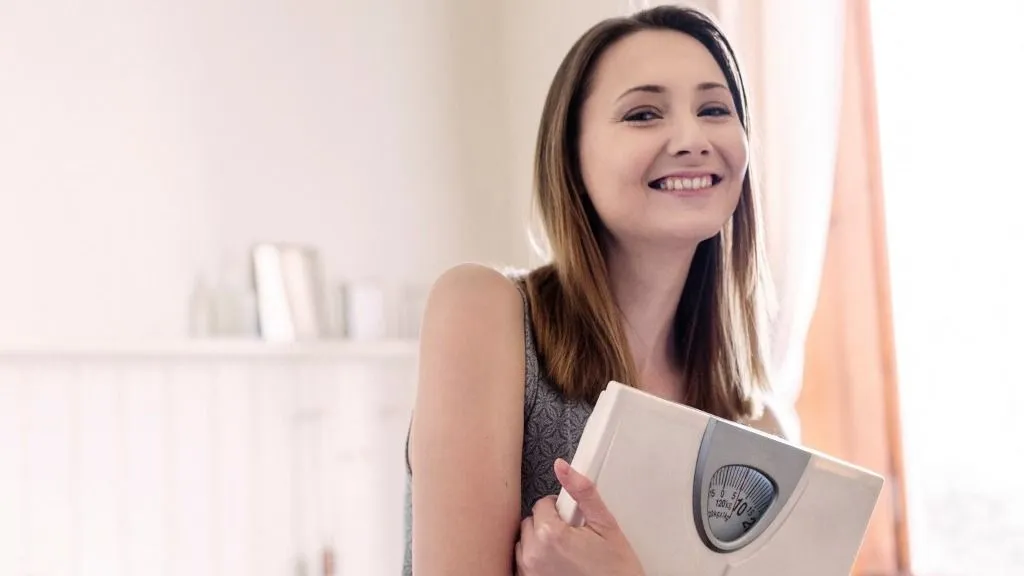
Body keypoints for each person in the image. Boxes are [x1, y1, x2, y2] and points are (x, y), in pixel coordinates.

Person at [404, 4, 785, 575]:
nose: (692, 138)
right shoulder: (482, 312)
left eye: (714, 109)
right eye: (643, 114)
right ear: (572, 155)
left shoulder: (756, 430)